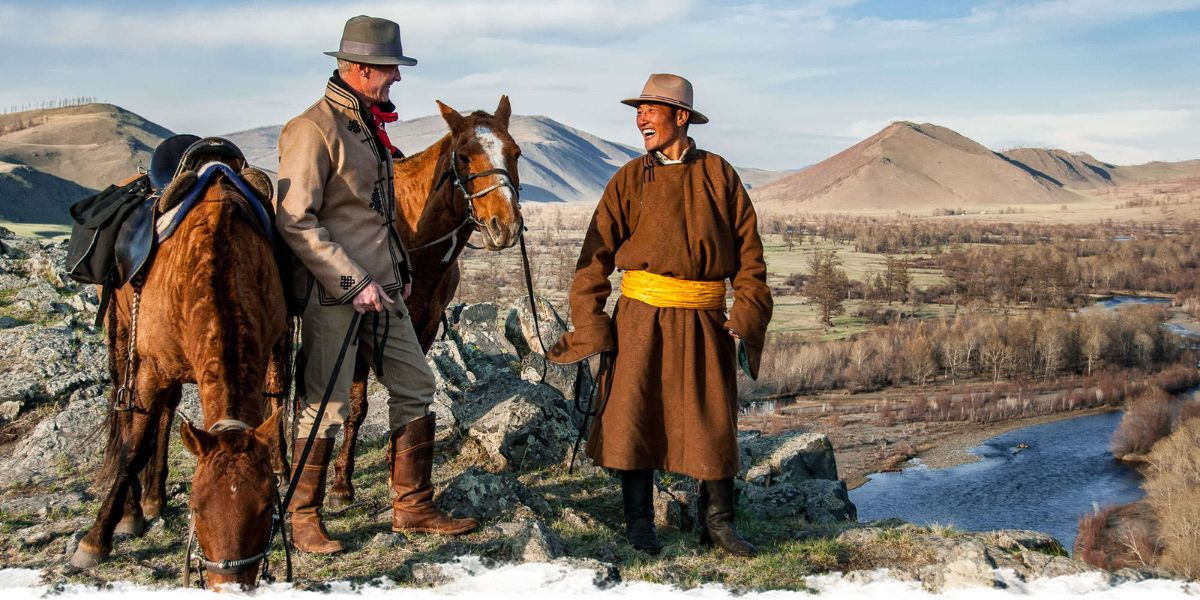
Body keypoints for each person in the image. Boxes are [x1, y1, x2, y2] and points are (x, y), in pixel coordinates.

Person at [276, 15, 478, 554]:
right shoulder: (312, 128)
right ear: (361, 69)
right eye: (390, 69)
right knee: (327, 403)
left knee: (415, 384)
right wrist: (350, 278)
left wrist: (400, 271)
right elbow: (295, 218)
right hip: (334, 292)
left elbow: (377, 217)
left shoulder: (367, 125)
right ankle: (303, 517)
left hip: (384, 288)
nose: (397, 79)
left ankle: (412, 506)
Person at [548, 74, 773, 556]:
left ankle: (718, 525)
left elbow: (751, 258)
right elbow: (594, 258)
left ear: (681, 117)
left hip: (704, 319)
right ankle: (639, 524)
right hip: (640, 318)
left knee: (713, 420)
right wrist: (593, 323)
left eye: (652, 109)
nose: (641, 118)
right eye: (639, 110)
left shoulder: (720, 175)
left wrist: (746, 313)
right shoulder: (628, 178)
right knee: (636, 414)